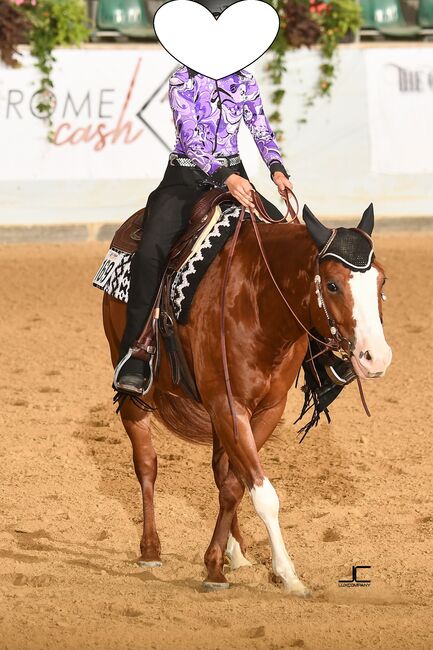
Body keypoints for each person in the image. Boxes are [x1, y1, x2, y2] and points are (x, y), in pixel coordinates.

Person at [113, 61, 294, 395]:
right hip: (185, 180)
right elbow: (189, 136)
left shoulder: (245, 79)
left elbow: (261, 129)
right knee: (151, 251)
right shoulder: (183, 78)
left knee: (283, 240)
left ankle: (313, 357)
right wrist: (226, 177)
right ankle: (136, 351)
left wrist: (277, 169)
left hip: (236, 178)